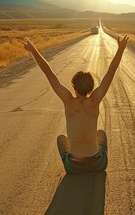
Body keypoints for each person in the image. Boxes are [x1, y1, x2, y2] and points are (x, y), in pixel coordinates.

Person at [22, 34, 129, 174]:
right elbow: (111, 72)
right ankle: (97, 157)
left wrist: (32, 49)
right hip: (97, 164)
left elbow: (49, 73)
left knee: (61, 139)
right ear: (91, 88)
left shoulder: (68, 101)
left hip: (74, 167)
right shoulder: (95, 100)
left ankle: (75, 161)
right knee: (100, 133)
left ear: (73, 86)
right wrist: (120, 49)